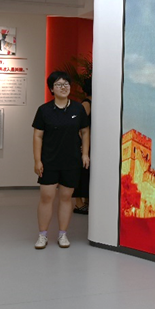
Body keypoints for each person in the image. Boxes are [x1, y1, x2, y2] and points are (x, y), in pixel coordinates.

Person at [32, 71, 90, 249]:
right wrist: (37, 160)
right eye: (58, 84)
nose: (63, 87)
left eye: (66, 84)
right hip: (49, 161)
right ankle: (42, 235)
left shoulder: (78, 109)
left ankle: (62, 234)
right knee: (47, 197)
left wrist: (85, 154)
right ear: (51, 89)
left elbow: (85, 131)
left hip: (71, 161)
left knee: (66, 198)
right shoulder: (44, 110)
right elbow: (38, 136)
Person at [73, 77, 92, 215]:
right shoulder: (86, 104)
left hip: (90, 143)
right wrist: (82, 143)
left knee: (87, 173)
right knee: (82, 173)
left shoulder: (93, 103)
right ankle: (79, 203)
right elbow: (80, 126)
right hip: (85, 144)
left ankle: (86, 202)